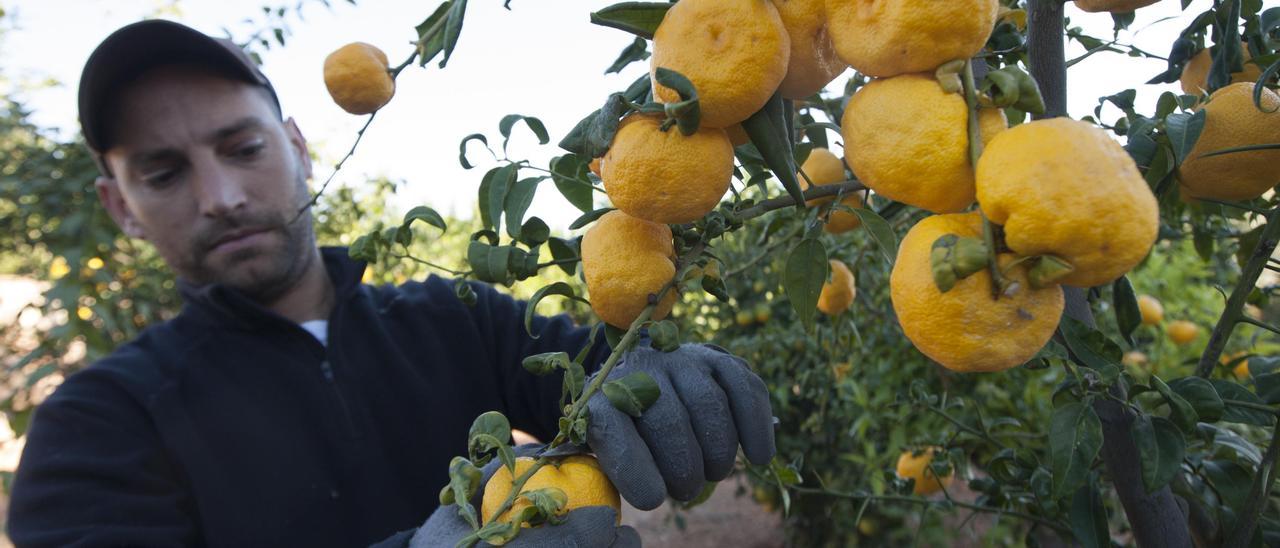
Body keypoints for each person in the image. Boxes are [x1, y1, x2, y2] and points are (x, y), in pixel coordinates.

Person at [7, 20, 776, 548]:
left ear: (299, 147)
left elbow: (595, 373)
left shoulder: (459, 318)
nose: (221, 196)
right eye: (164, 171)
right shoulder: (94, 429)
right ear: (121, 208)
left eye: (241, 147)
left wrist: (645, 363)